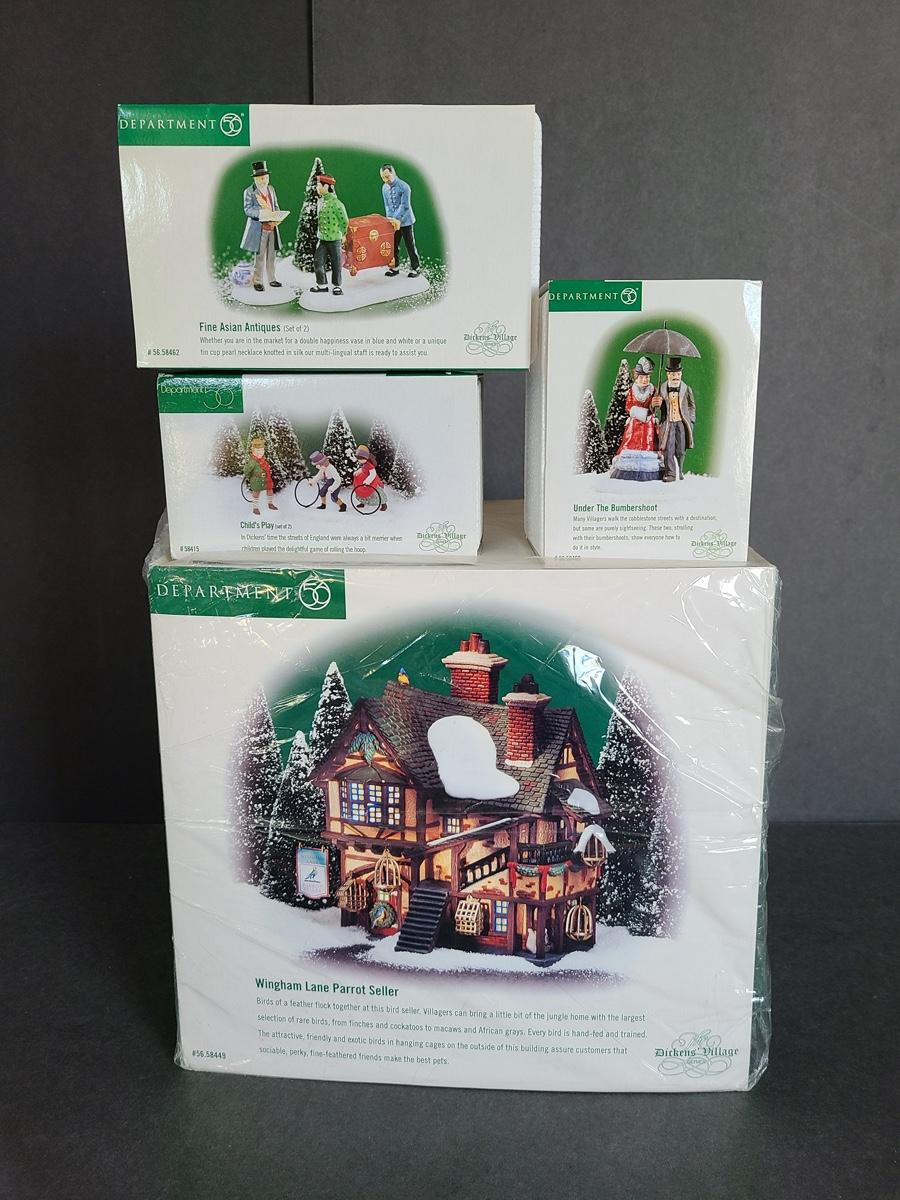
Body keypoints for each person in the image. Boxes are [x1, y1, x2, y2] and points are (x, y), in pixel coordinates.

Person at [608, 356, 662, 481]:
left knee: (649, 444)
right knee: (631, 444)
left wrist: (655, 404)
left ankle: (648, 473)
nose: (644, 380)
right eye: (642, 377)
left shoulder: (653, 390)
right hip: (635, 425)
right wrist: (641, 413)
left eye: (647, 377)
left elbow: (655, 409)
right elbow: (628, 407)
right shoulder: (632, 391)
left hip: (648, 425)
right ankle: (629, 472)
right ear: (637, 377)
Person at [241, 161, 284, 293]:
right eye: (260, 178)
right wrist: (261, 213)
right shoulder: (249, 192)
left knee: (272, 255)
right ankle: (258, 281)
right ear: (255, 178)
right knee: (259, 256)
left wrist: (277, 215)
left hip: (272, 228)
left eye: (265, 177)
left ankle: (272, 278)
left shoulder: (271, 189)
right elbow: (248, 209)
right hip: (259, 230)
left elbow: (275, 205)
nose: (263, 180)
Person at [655, 357, 697, 482]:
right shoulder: (661, 389)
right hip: (668, 423)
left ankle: (680, 471)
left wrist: (691, 420)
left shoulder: (686, 389)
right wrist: (655, 403)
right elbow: (654, 409)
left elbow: (691, 406)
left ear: (681, 374)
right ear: (668, 374)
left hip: (681, 423)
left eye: (678, 374)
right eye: (673, 374)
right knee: (668, 448)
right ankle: (670, 473)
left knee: (681, 449)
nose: (676, 377)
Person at [310, 174, 349, 296]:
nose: (317, 187)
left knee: (336, 263)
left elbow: (344, 221)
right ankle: (322, 284)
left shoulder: (337, 203)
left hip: (334, 239)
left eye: (319, 185)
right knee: (318, 261)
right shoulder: (320, 202)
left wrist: (343, 234)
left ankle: (337, 286)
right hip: (322, 239)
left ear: (326, 186)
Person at [380, 164, 420, 278]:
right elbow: (387, 205)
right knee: (393, 245)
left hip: (406, 221)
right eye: (383, 177)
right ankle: (395, 267)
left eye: (387, 177)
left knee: (410, 245)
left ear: (393, 173)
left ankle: (415, 267)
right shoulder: (384, 188)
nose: (386, 180)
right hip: (392, 222)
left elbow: (404, 205)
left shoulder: (404, 187)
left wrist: (396, 218)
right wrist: (389, 218)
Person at [243, 436, 278, 516]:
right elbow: (246, 471)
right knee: (256, 492)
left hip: (266, 479)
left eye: (262, 450)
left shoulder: (263, 460)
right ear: (253, 451)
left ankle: (270, 503)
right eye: (258, 450)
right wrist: (250, 477)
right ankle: (255, 507)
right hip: (257, 480)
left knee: (270, 490)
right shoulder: (252, 462)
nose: (260, 452)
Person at [353, 445, 388, 511]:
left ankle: (383, 504)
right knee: (362, 490)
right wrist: (357, 472)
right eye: (358, 459)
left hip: (372, 481)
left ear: (366, 457)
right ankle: (363, 502)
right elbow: (363, 469)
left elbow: (373, 474)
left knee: (376, 492)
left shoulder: (370, 465)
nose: (360, 460)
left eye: (361, 459)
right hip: (363, 478)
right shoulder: (364, 464)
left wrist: (368, 481)